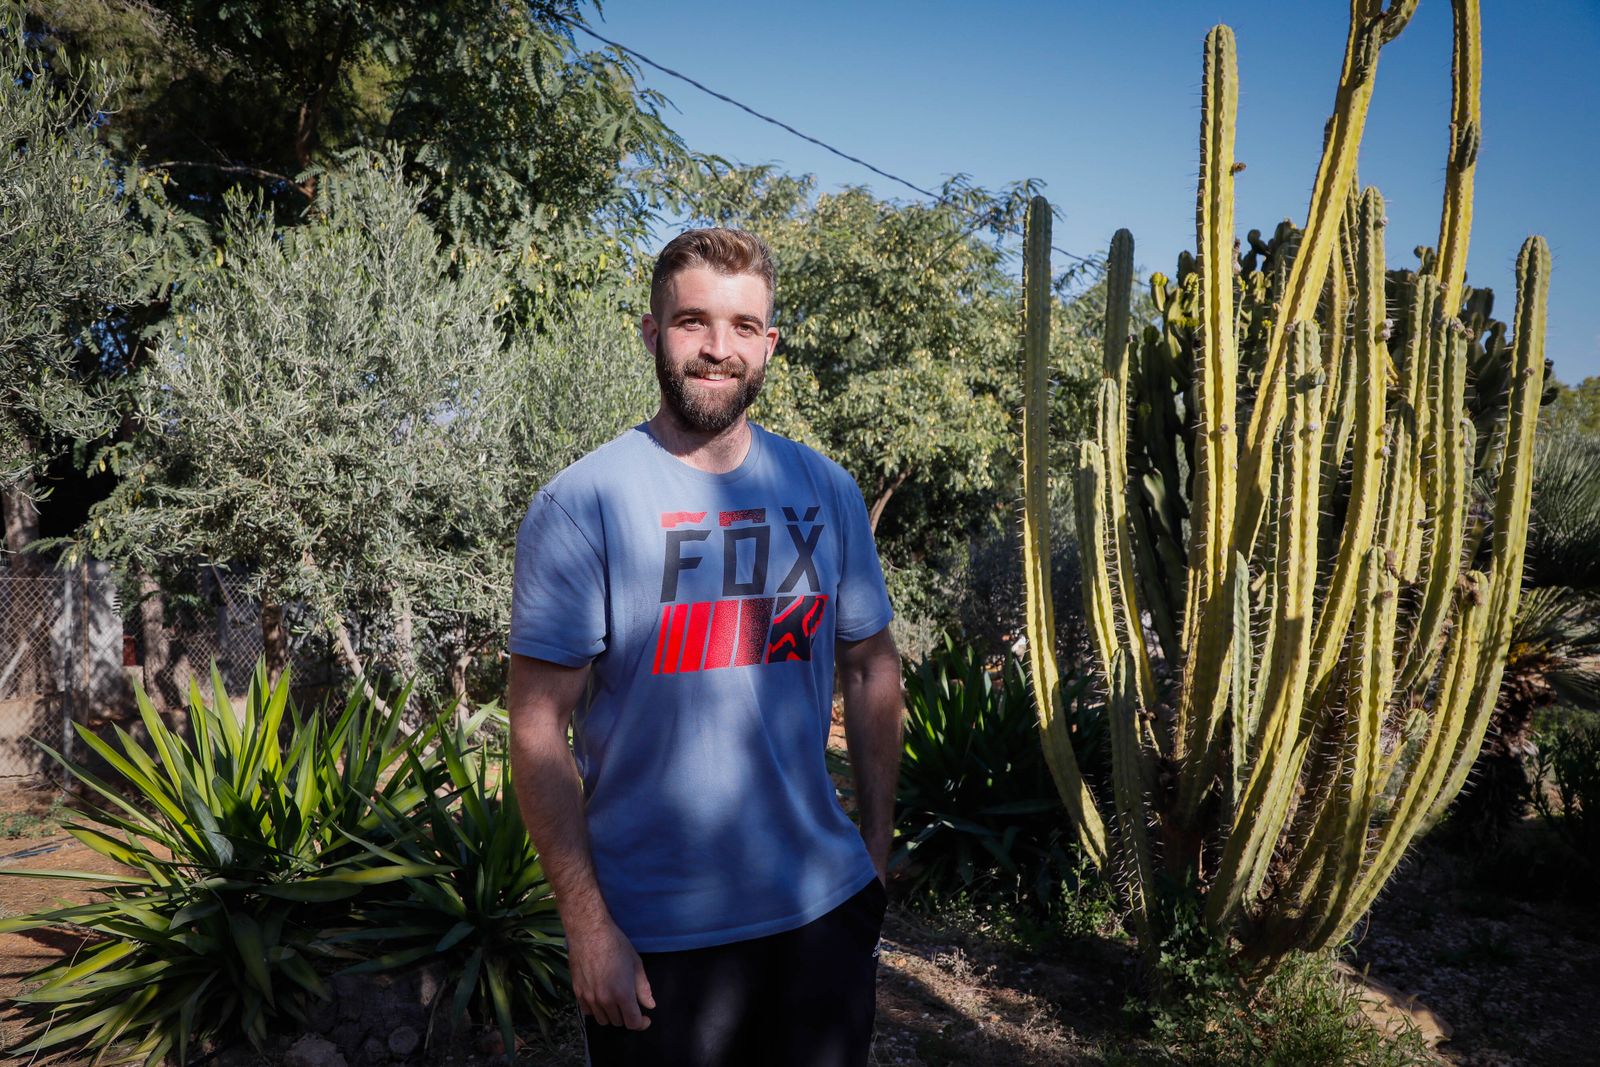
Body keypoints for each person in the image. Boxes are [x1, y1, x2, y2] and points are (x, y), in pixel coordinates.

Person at [506, 226, 904, 1066]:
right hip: (656, 941)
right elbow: (537, 726)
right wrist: (588, 928)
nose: (718, 349)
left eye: (743, 326)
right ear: (652, 334)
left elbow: (871, 663)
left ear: (770, 344)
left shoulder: (826, 490)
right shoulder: (583, 504)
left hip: (820, 914)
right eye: (693, 322)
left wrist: (873, 853)